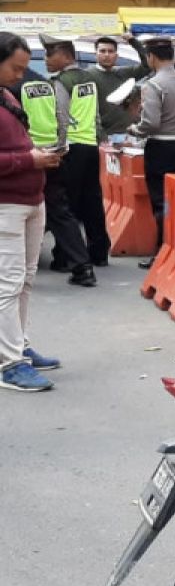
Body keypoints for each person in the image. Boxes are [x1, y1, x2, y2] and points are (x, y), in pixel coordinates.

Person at [0, 33, 65, 392]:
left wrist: (38, 152)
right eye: (15, 67)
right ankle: (9, 364)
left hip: (30, 199)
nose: (20, 75)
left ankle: (18, 345)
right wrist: (30, 159)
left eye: (25, 68)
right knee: (7, 285)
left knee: (24, 281)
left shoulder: (7, 96)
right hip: (6, 205)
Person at [127, 37, 175, 269]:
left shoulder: (154, 85)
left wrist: (134, 129)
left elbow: (150, 123)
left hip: (162, 148)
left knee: (162, 203)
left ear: (150, 57)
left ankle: (164, 253)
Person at [14, 68, 93, 287]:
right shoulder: (46, 83)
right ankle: (82, 267)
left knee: (16, 210)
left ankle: (17, 268)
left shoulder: (9, 88)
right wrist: (59, 145)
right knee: (59, 211)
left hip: (25, 156)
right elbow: (62, 114)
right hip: (51, 153)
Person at [41, 34, 109, 270]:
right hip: (90, 146)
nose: (46, 59)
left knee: (65, 206)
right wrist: (98, 138)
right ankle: (99, 252)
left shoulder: (61, 81)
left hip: (71, 149)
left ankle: (65, 258)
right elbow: (96, 114)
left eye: (50, 54)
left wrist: (58, 149)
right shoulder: (88, 78)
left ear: (64, 55)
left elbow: (61, 117)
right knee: (92, 201)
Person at [90, 34, 150, 139]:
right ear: (95, 54)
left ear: (116, 55)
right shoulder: (87, 76)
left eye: (110, 51)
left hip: (128, 134)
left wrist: (133, 41)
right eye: (102, 51)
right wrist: (101, 136)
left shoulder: (124, 72)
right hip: (103, 136)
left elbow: (148, 65)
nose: (107, 55)